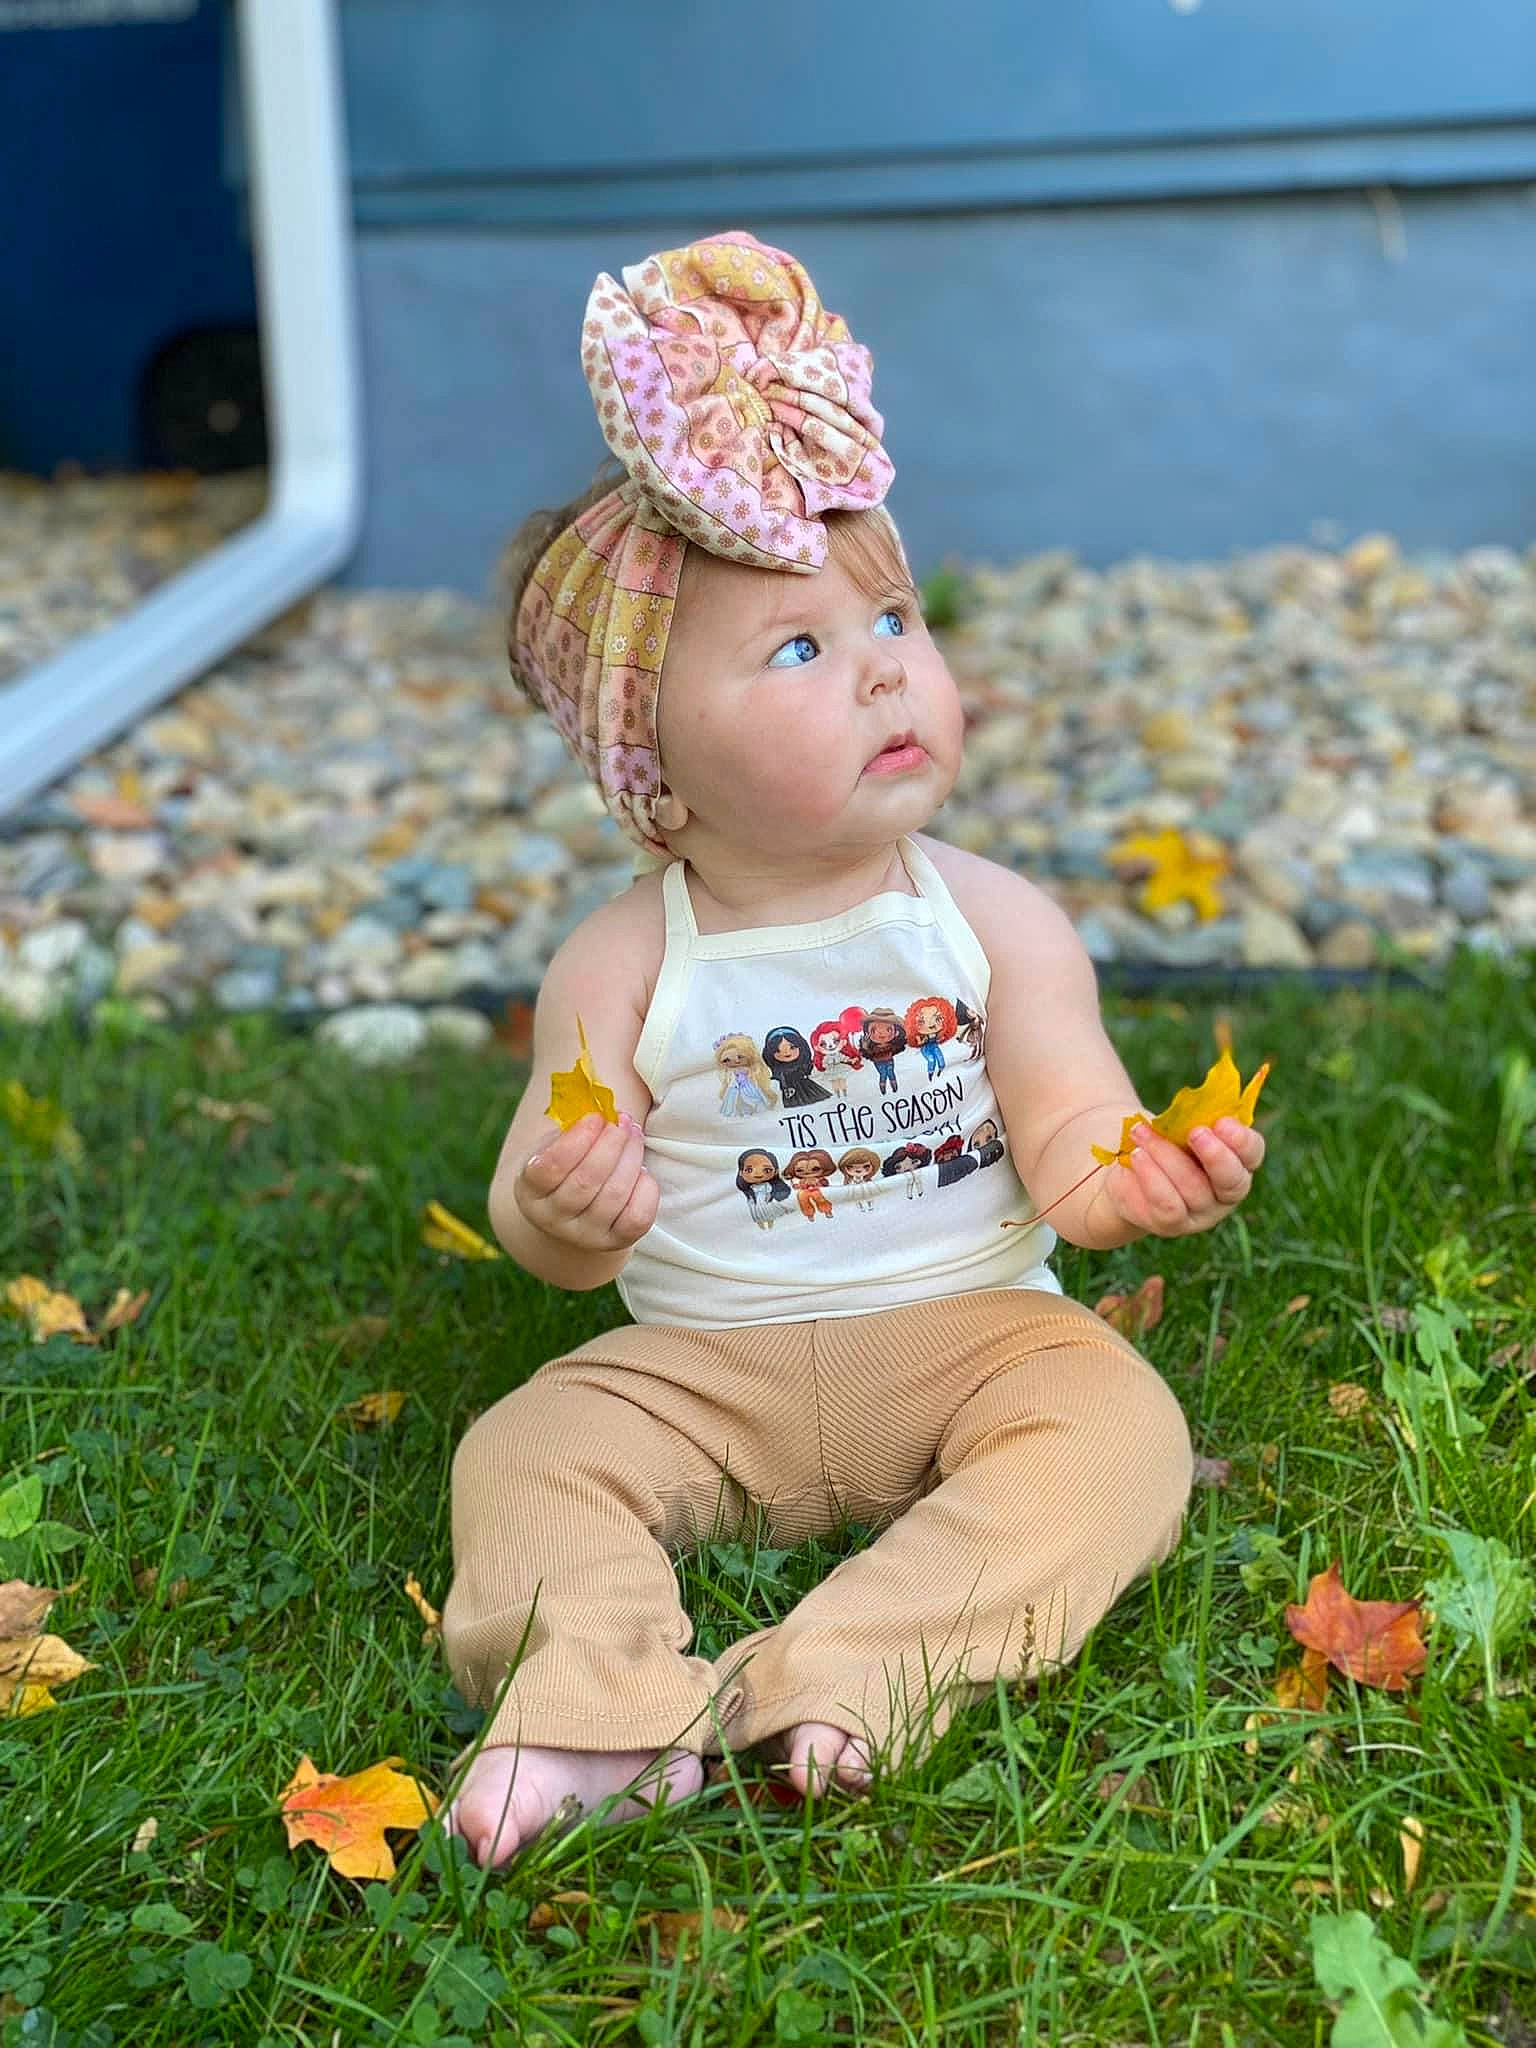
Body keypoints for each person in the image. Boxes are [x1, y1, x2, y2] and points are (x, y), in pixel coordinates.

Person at [441, 231, 1266, 1870]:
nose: (888, 661)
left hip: (970, 1336)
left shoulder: (992, 922)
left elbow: (1069, 1133)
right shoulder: (621, 960)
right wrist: (567, 1207)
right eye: (801, 650)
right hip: (709, 1373)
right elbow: (534, 1224)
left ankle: (856, 1668)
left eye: (894, 613)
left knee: (1120, 1436)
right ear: (652, 766)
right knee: (525, 1446)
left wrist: (1136, 1182)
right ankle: (598, 1701)